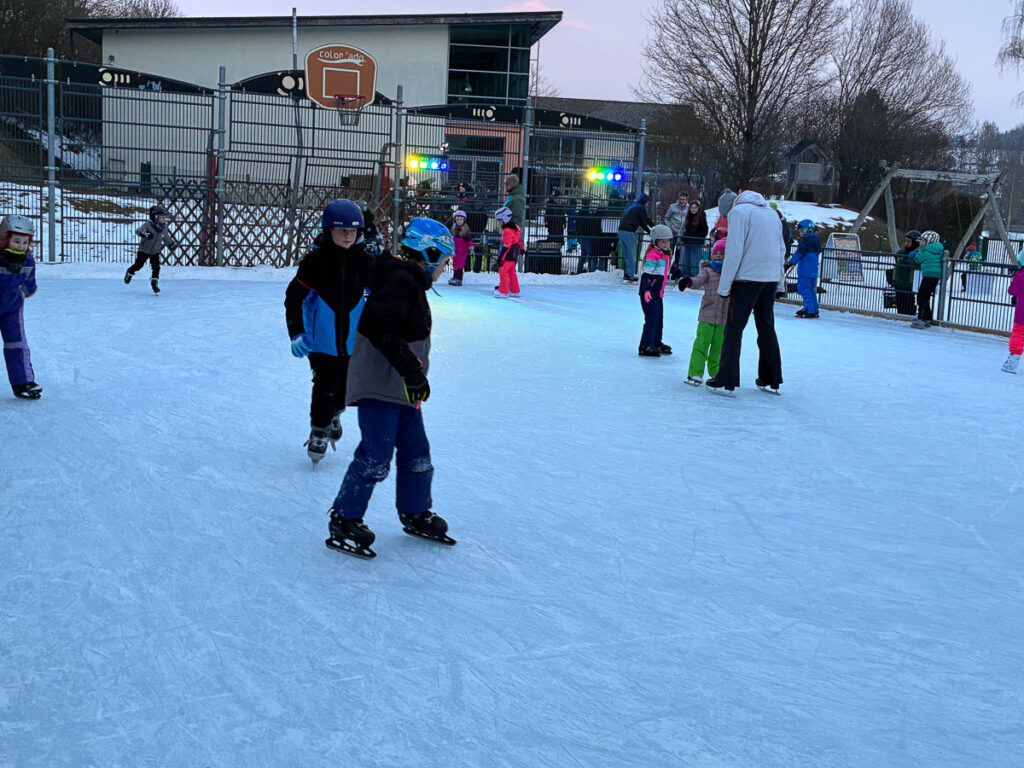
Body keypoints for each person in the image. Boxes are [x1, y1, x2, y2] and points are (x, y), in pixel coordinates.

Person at [324, 217, 455, 558]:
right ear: (429, 254)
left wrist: (412, 376)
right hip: (381, 386)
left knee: (416, 452)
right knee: (376, 455)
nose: (445, 269)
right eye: (444, 260)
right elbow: (380, 327)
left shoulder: (407, 281)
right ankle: (345, 518)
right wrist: (412, 371)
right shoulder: (400, 281)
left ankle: (415, 510)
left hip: (401, 388)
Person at [284, 199, 375, 466]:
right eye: (341, 230)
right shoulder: (315, 262)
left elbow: (381, 296)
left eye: (352, 230)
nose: (347, 235)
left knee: (345, 389)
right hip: (321, 342)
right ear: (328, 230)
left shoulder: (365, 261)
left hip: (353, 342)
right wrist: (297, 332)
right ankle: (319, 430)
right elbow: (294, 297)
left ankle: (335, 412)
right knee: (325, 385)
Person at [706, 188, 785, 395]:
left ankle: (726, 378)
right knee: (766, 327)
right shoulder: (771, 213)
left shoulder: (738, 213)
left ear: (729, 207)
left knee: (734, 327)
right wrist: (780, 282)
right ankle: (771, 377)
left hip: (747, 279)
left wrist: (724, 287)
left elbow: (734, 251)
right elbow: (781, 249)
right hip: (770, 278)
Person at [678, 231, 729, 386]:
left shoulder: (731, 273)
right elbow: (698, 281)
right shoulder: (708, 271)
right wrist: (688, 281)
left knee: (718, 349)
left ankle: (716, 374)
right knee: (701, 344)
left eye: (722, 254)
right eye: (716, 253)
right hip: (707, 315)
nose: (718, 256)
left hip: (724, 318)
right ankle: (695, 373)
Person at [0, 215, 41, 399]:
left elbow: (30, 283)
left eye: (25, 242)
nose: (20, 246)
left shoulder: (27, 260)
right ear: (5, 238)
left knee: (17, 345)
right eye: (16, 241)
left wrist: (24, 291)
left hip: (12, 311)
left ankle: (23, 382)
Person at [638, 224, 674, 357]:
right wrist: (647, 289)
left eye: (667, 241)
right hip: (649, 293)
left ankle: (656, 342)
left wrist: (680, 275)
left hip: (658, 293)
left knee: (659, 318)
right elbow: (646, 274)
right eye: (662, 241)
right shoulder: (653, 255)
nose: (666, 244)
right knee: (651, 318)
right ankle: (645, 345)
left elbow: (669, 269)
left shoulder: (664, 254)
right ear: (655, 241)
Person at [125, 204, 176, 294]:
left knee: (156, 267)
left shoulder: (163, 228)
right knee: (139, 265)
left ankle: (154, 283)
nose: (163, 219)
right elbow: (138, 230)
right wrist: (145, 234)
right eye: (161, 217)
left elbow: (166, 237)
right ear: (155, 217)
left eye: (164, 217)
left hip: (155, 251)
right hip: (144, 250)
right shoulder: (148, 225)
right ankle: (130, 272)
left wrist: (171, 244)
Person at [617, 192, 654, 282]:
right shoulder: (641, 208)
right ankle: (630, 275)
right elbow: (645, 219)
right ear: (644, 201)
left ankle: (627, 273)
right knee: (631, 254)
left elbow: (641, 222)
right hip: (629, 231)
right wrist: (655, 227)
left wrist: (649, 231)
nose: (647, 204)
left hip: (621, 230)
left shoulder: (634, 206)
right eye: (647, 202)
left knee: (627, 254)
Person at [911, 231, 943, 329]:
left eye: (923, 241)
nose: (921, 243)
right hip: (935, 275)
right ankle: (927, 317)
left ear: (929, 242)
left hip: (929, 275)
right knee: (925, 296)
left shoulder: (926, 250)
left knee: (922, 297)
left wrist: (916, 253)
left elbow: (917, 259)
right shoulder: (937, 249)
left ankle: (922, 318)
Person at [789, 219, 822, 318]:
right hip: (813, 269)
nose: (799, 232)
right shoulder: (817, 239)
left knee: (803, 289)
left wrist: (790, 263)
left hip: (805, 269)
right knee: (811, 290)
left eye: (800, 230)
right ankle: (813, 309)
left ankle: (809, 309)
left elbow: (799, 253)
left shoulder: (805, 240)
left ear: (805, 230)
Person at [493, 206, 523, 298]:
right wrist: (522, 249)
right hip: (514, 255)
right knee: (511, 273)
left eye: (500, 221)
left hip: (508, 256)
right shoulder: (515, 228)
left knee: (503, 272)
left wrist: (500, 258)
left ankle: (503, 291)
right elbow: (519, 240)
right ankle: (514, 290)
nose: (499, 223)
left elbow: (506, 247)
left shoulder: (507, 231)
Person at [1003, 252, 1024, 373]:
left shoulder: (1021, 276)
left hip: (1022, 314)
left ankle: (1012, 362)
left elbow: (1012, 291)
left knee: (1019, 334)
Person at [891, 230, 920, 316]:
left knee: (908, 304)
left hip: (909, 283)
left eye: (909, 242)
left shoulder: (918, 254)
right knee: (900, 304)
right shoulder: (901, 253)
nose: (906, 243)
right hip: (899, 282)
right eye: (906, 241)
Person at [680, 200, 709, 278]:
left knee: (694, 263)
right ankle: (685, 277)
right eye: (692, 208)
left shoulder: (702, 217)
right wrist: (684, 237)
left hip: (696, 243)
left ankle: (694, 278)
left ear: (698, 208)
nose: (693, 209)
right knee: (686, 262)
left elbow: (704, 231)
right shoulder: (688, 217)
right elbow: (686, 229)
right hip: (687, 242)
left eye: (695, 208)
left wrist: (696, 237)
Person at [664, 191, 688, 269]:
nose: (681, 201)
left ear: (686, 200)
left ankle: (675, 270)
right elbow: (666, 218)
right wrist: (670, 227)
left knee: (679, 254)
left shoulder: (689, 208)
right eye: (680, 199)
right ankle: (666, 269)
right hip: (673, 233)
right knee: (669, 252)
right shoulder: (673, 207)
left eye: (683, 199)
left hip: (682, 234)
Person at [449, 210, 474, 286]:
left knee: (459, 264)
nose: (459, 221)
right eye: (457, 219)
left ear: (464, 220)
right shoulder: (454, 228)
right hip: (455, 249)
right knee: (455, 264)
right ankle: (455, 277)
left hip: (462, 250)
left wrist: (471, 248)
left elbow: (469, 240)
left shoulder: (465, 230)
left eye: (461, 220)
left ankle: (459, 278)